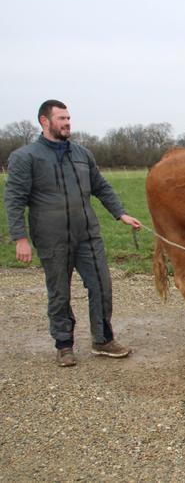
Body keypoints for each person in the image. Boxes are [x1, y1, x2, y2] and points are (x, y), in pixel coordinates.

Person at [4, 99, 142, 367]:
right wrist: (20, 238)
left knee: (102, 285)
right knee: (59, 292)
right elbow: (14, 200)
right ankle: (64, 344)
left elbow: (100, 186)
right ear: (45, 122)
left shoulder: (81, 154)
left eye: (68, 118)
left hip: (87, 234)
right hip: (51, 236)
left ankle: (103, 339)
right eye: (61, 119)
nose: (67, 123)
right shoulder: (26, 157)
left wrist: (120, 213)